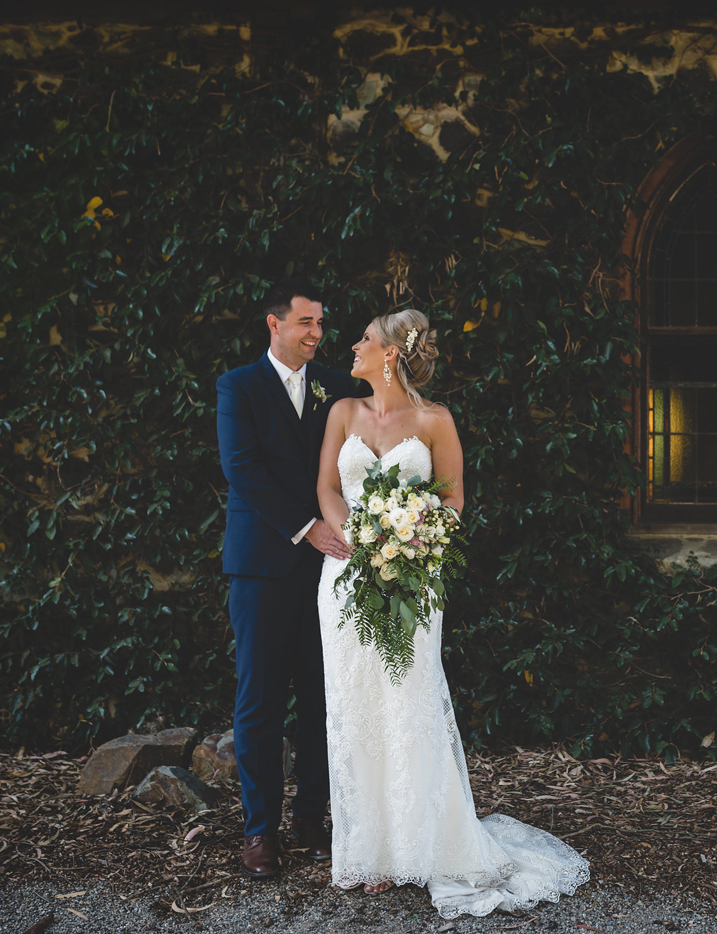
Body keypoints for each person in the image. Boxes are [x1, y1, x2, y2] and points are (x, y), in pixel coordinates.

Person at [315, 309, 590, 919]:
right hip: (345, 576)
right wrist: (359, 537)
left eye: (364, 338)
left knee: (408, 701)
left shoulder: (436, 421)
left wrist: (414, 546)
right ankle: (372, 852)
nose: (353, 346)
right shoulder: (342, 413)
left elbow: (453, 498)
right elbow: (328, 491)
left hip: (414, 580)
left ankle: (423, 842)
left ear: (389, 354)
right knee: (354, 704)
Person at [216, 279, 359, 879]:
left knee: (323, 700)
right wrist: (305, 527)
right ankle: (260, 831)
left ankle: (312, 822)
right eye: (305, 323)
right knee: (259, 704)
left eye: (320, 324)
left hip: (328, 570)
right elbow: (241, 469)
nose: (316, 334)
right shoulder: (238, 386)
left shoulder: (338, 387)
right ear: (274, 325)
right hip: (262, 567)